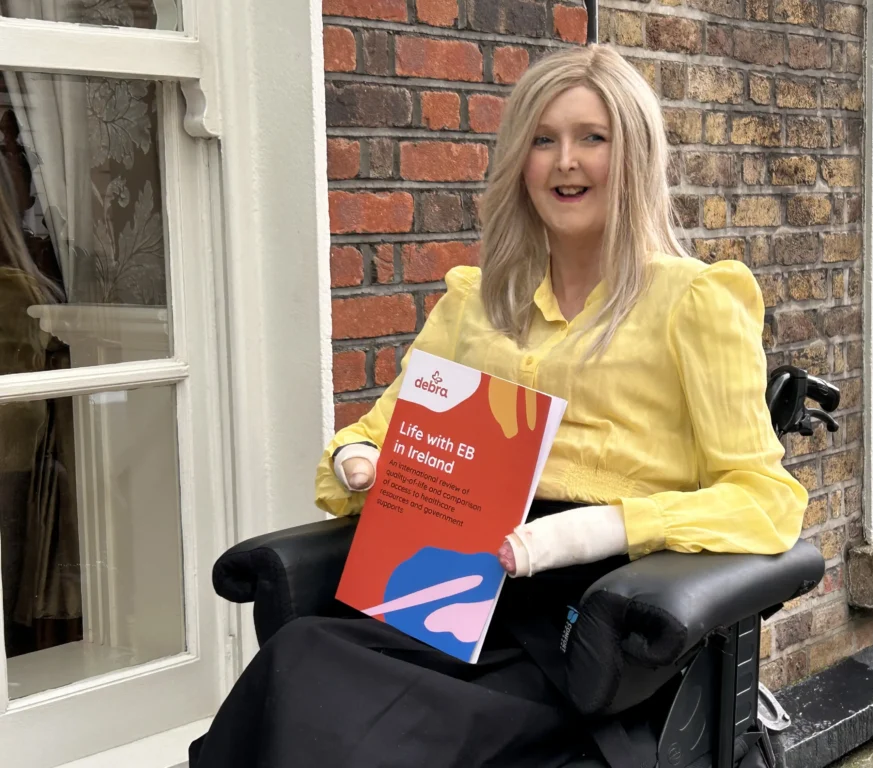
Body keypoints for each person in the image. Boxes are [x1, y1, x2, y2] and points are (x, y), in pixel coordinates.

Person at [190, 44, 807, 768]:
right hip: (452, 586)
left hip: (588, 623)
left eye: (592, 137)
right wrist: (363, 461)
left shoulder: (695, 302)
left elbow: (764, 500)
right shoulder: (474, 304)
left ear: (635, 154)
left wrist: (597, 529)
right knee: (300, 657)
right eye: (543, 140)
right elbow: (375, 434)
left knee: (367, 732)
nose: (565, 161)